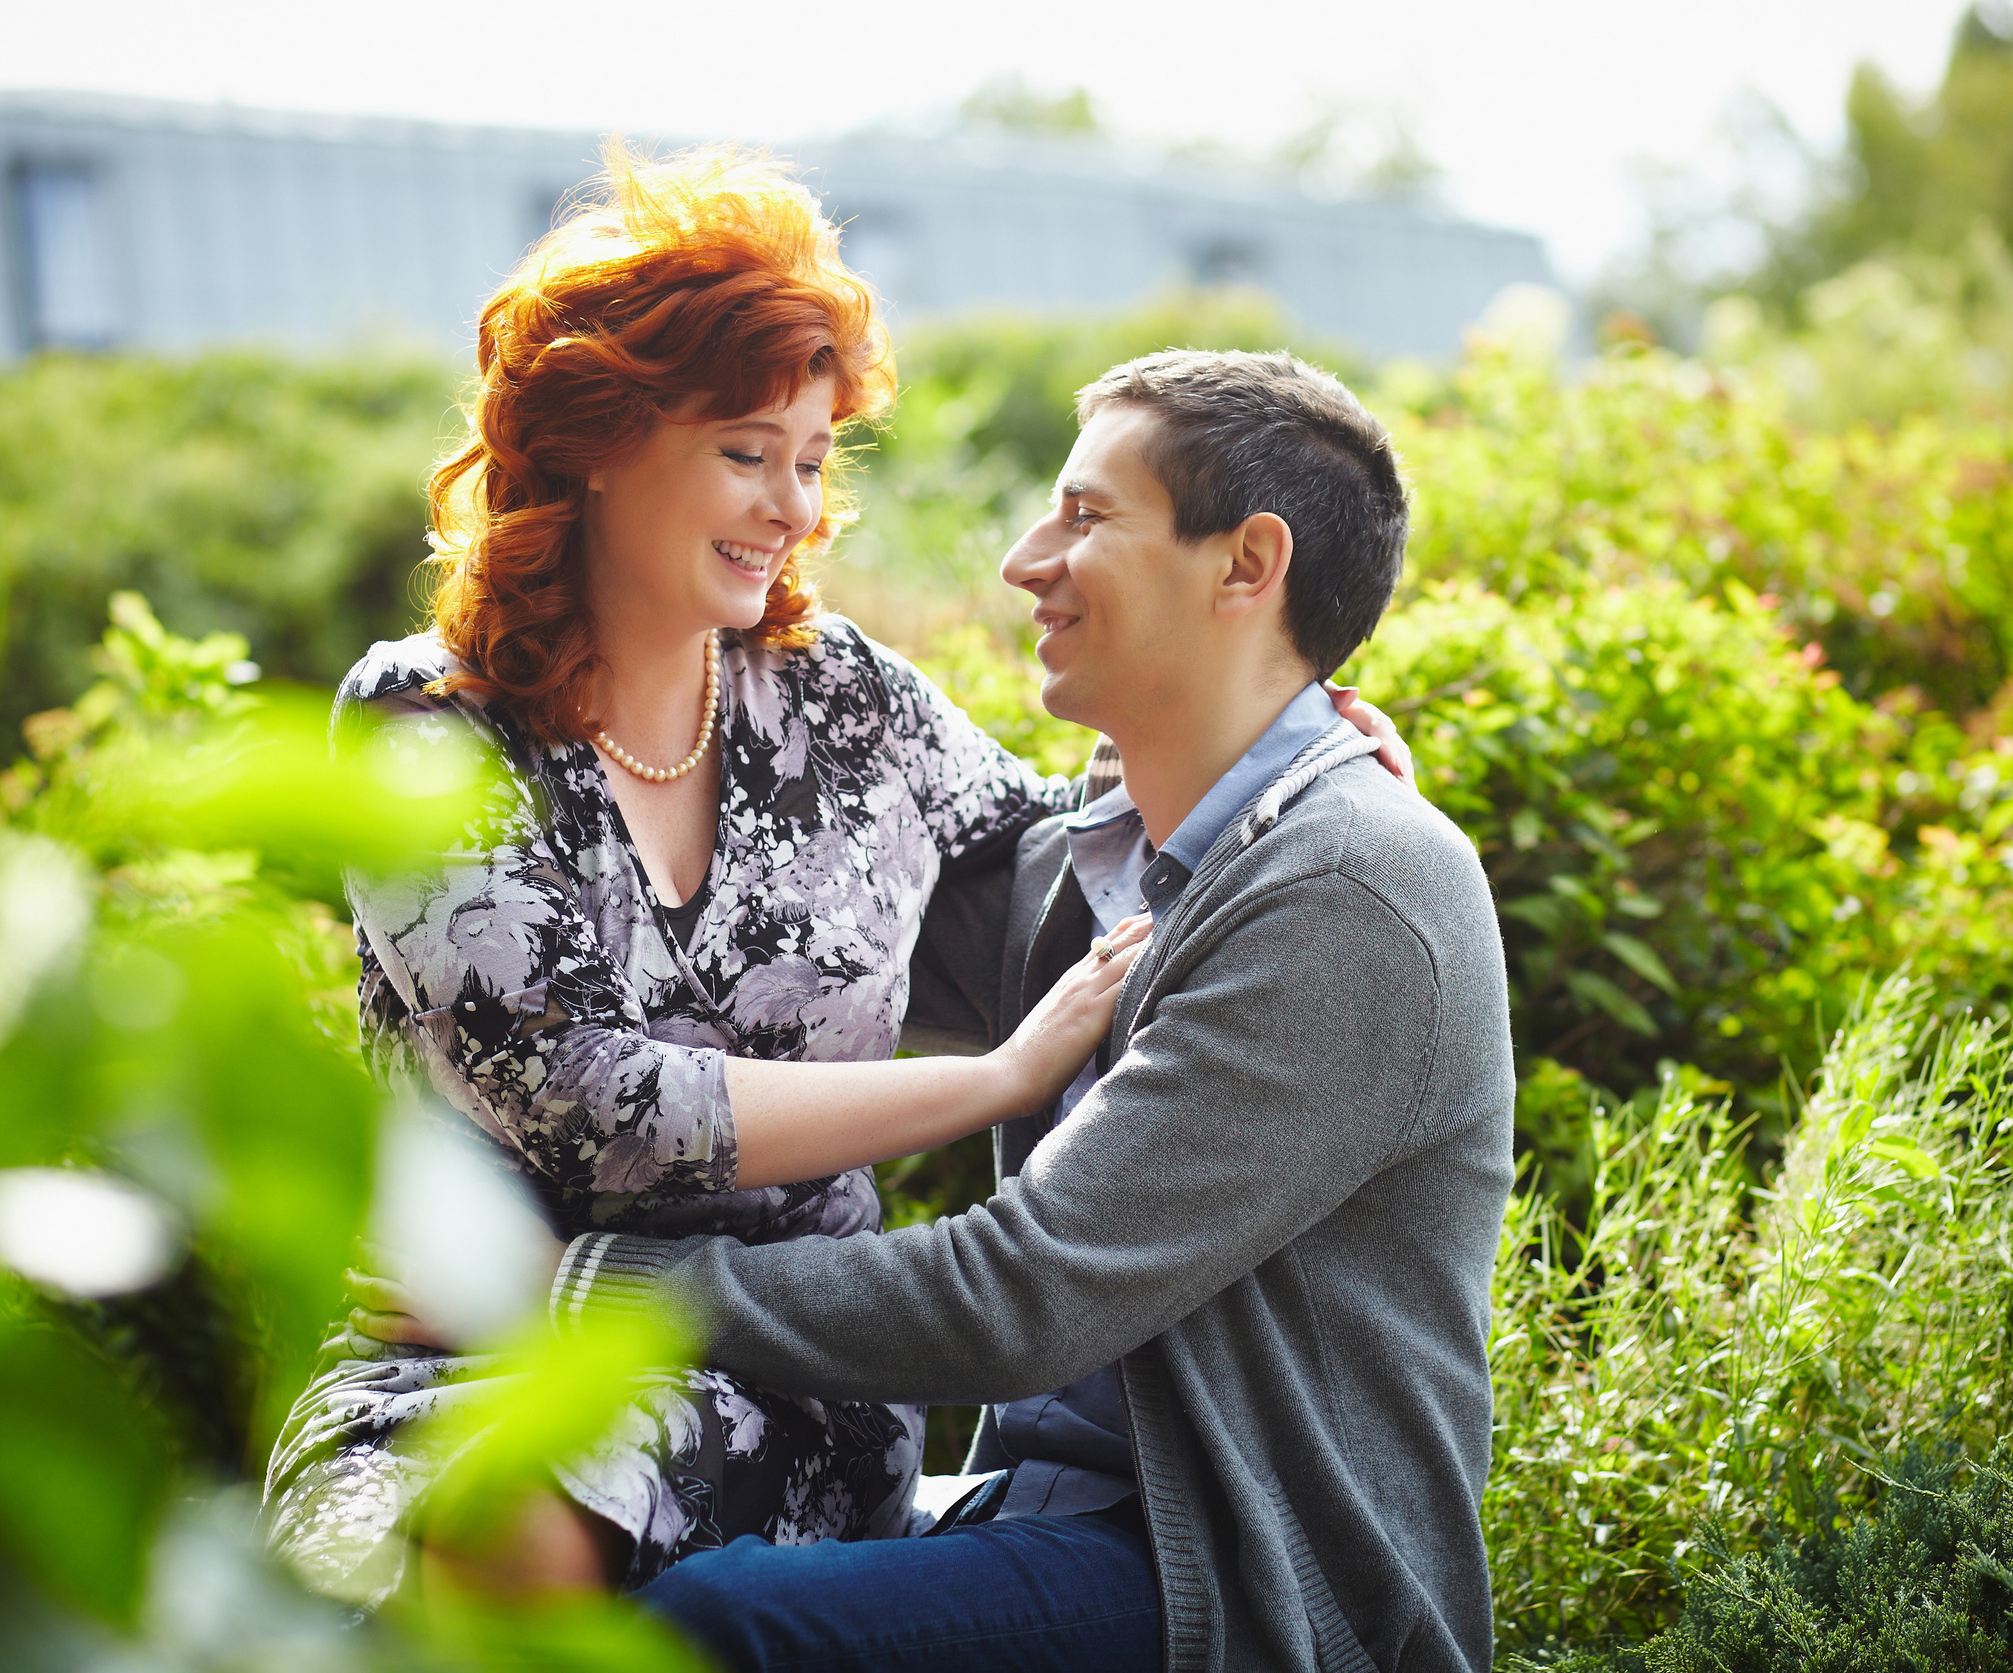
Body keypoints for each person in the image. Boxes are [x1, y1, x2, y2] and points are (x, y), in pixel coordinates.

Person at [263, 148, 1406, 1608]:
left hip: (791, 1373)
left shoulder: (838, 694)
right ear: (598, 438)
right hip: (474, 1348)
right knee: (482, 1527)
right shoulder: (426, 724)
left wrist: (1288, 756)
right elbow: (597, 1113)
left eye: (812, 462)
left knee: (539, 1544)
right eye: (747, 454)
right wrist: (992, 1082)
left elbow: (1059, 853)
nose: (793, 508)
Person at [538, 349, 1517, 1673]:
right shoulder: (1102, 868)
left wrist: (579, 1290)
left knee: (724, 1630)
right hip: (1050, 1515)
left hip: (1243, 1590)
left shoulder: (1350, 887)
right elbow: (753, 949)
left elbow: (1019, 1300)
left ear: (1247, 565)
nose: (1023, 560)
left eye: (1086, 516)